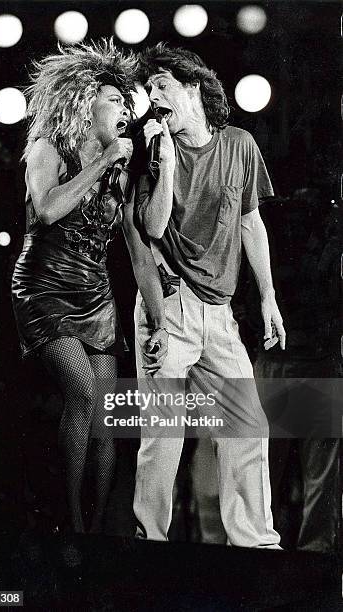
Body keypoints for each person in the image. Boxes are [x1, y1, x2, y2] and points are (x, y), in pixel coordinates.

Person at [132, 43, 286, 547]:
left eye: (162, 86)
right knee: (165, 432)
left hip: (219, 313)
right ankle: (149, 540)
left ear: (192, 87)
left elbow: (250, 222)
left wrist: (267, 296)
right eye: (148, 90)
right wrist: (169, 161)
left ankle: (255, 542)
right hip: (169, 305)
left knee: (247, 422)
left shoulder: (240, 144)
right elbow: (153, 228)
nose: (153, 99)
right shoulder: (152, 153)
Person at [11, 40, 167, 534]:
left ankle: (98, 534)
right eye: (113, 100)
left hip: (94, 290)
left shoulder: (121, 169)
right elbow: (48, 208)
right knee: (81, 393)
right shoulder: (47, 147)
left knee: (106, 416)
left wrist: (158, 321)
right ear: (84, 103)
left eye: (126, 102)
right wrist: (102, 163)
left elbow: (138, 250)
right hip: (45, 285)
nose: (123, 108)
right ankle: (72, 528)